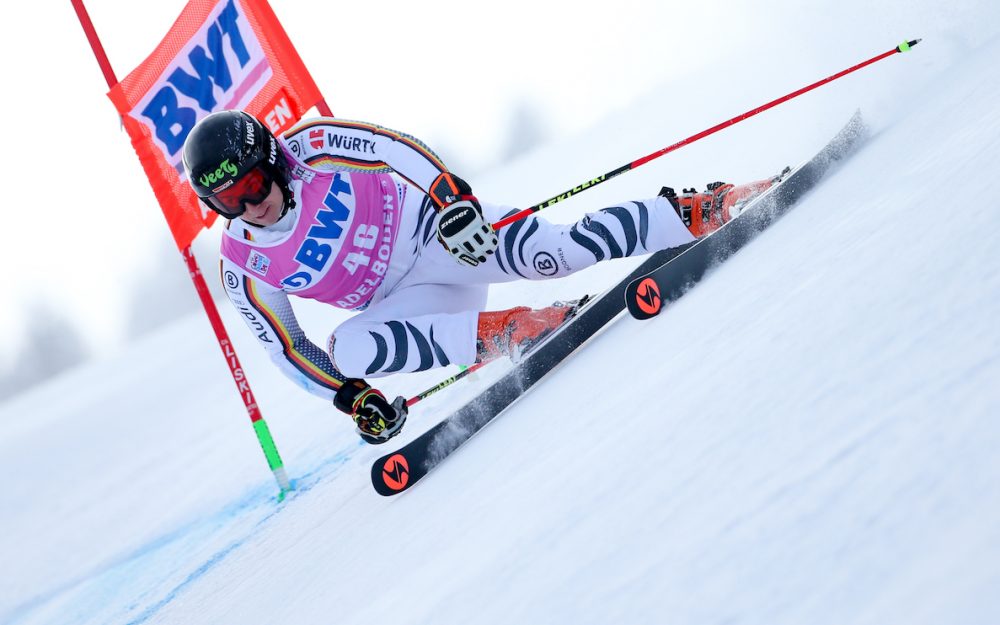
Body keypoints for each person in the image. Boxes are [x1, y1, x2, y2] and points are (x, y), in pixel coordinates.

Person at [182, 110, 776, 445]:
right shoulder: (244, 263)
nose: (250, 207)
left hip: (440, 237)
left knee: (559, 253)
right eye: (228, 202)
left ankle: (698, 211)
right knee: (348, 349)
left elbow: (394, 148)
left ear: (273, 163)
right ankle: (513, 329)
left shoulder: (311, 147)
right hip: (412, 300)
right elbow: (287, 348)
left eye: (254, 186)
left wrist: (451, 199)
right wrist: (351, 396)